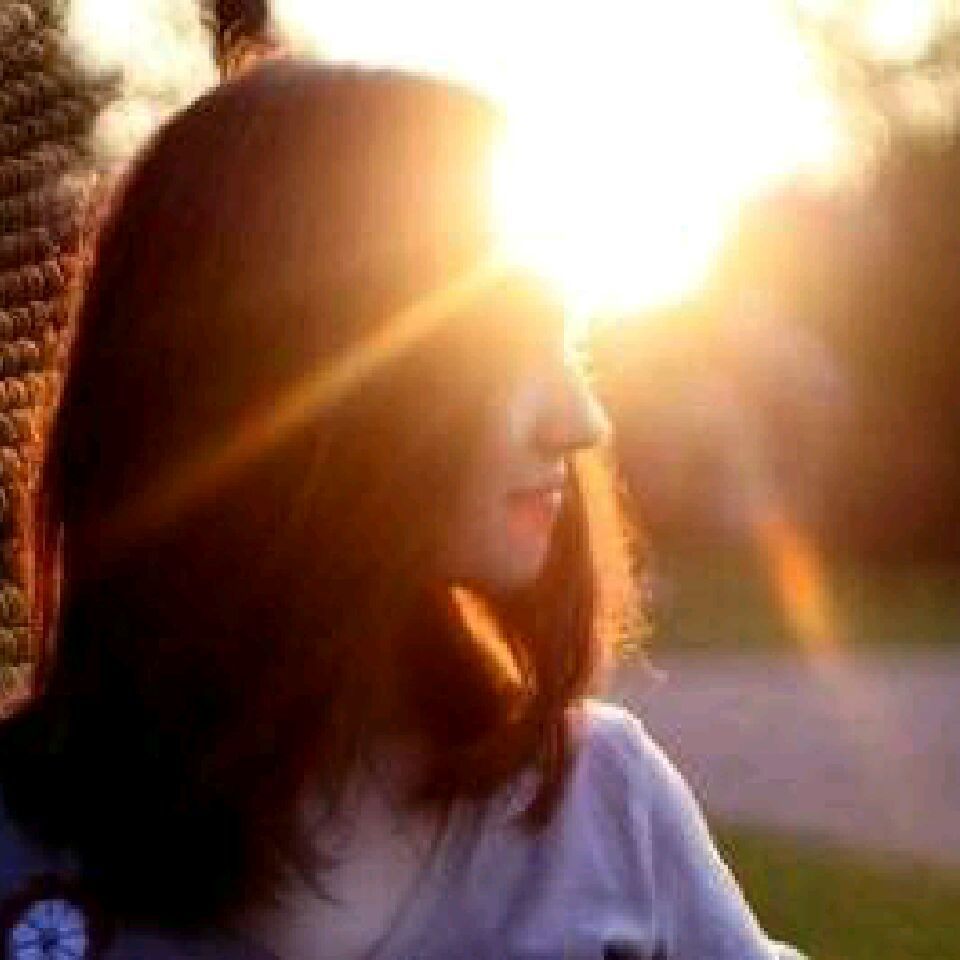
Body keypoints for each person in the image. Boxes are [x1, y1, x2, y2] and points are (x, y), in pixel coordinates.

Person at [0, 59, 805, 960]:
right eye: (501, 350)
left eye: (568, 344)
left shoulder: (602, 804)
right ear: (288, 378)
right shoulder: (18, 840)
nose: (582, 421)